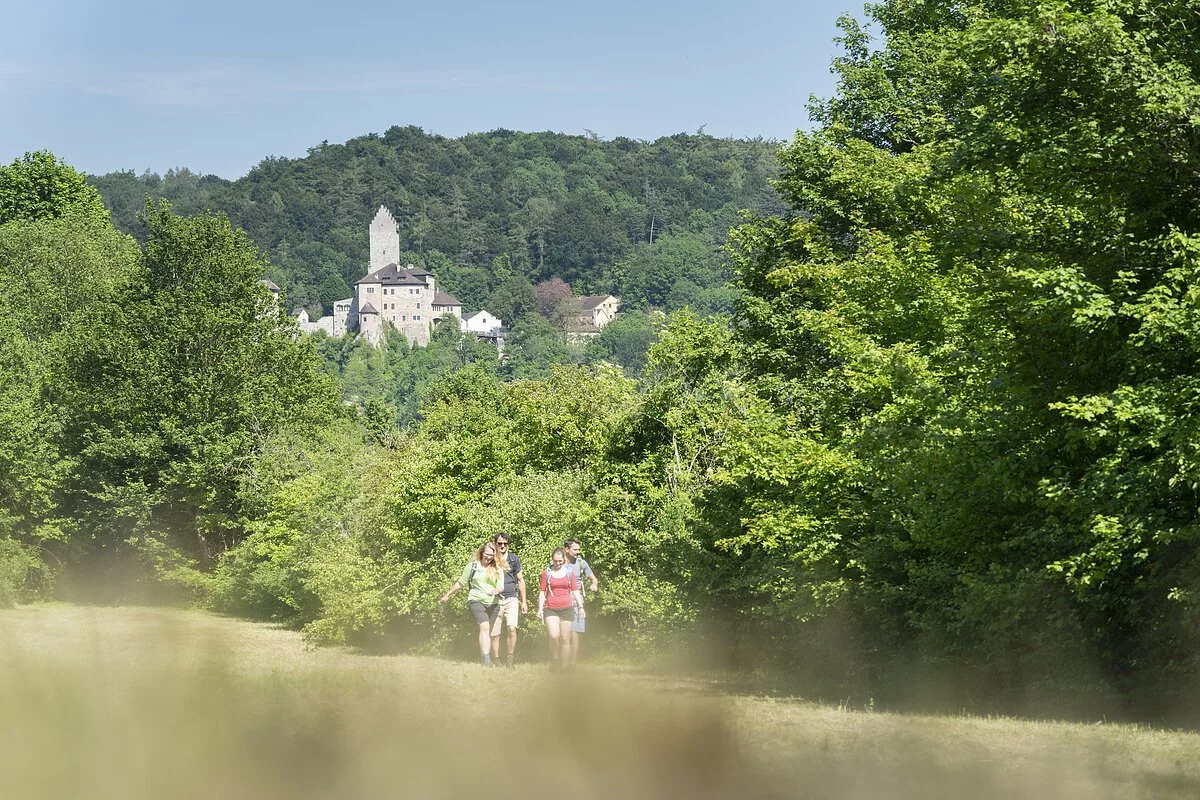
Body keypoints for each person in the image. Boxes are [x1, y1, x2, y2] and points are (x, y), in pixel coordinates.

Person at [439, 541, 507, 665]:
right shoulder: (472, 566)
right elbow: (461, 583)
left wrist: (497, 589)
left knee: (489, 631)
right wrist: (447, 595)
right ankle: (486, 659)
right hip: (476, 599)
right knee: (484, 627)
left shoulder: (498, 569)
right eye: (487, 554)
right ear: (481, 552)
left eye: (491, 555)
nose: (488, 557)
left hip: (493, 602)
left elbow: (501, 586)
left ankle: (484, 657)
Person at [537, 547, 585, 671]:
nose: (558, 564)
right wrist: (540, 608)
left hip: (567, 607)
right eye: (555, 561)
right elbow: (542, 592)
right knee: (554, 635)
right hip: (550, 607)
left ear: (564, 560)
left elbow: (575, 590)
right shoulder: (546, 573)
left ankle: (563, 668)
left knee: (565, 639)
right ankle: (555, 658)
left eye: (560, 561)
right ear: (552, 560)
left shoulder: (569, 573)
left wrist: (581, 607)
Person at [490, 531, 527, 669]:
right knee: (495, 632)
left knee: (512, 628)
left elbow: (520, 580)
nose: (502, 546)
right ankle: (496, 659)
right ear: (495, 544)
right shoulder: (491, 559)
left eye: (505, 543)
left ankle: (510, 658)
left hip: (511, 597)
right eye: (500, 543)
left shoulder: (513, 559)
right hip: (495, 599)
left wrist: (524, 602)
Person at [561, 537, 598, 668]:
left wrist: (594, 584)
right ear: (566, 549)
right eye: (575, 549)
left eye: (578, 549)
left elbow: (594, 579)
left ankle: (572, 663)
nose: (577, 552)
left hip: (577, 601)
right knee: (563, 633)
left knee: (574, 632)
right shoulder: (558, 563)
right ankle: (562, 660)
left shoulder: (581, 563)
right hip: (561, 600)